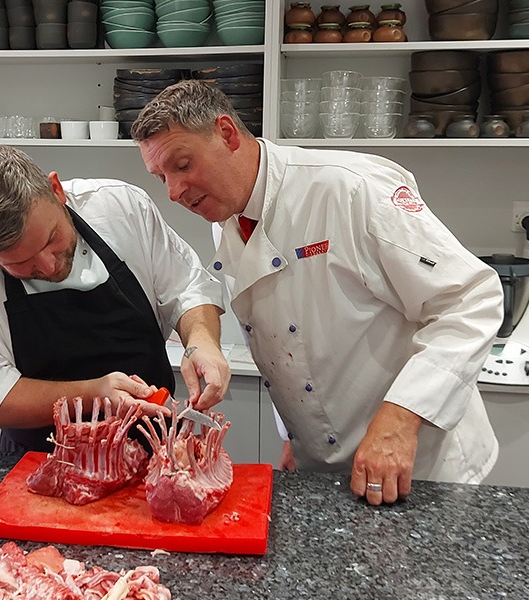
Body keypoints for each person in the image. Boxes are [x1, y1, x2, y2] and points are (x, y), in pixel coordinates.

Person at [131, 80, 503, 506]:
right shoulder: (228, 217)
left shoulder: (352, 189)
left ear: (228, 133)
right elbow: (283, 336)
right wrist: (295, 435)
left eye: (182, 165)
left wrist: (400, 419)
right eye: (161, 177)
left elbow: (471, 299)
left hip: (422, 463)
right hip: (326, 467)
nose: (174, 192)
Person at [0, 145, 230, 454]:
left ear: (56, 190)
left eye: (51, 239)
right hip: (40, 459)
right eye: (19, 264)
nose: (48, 265)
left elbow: (187, 287)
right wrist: (93, 393)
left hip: (153, 448)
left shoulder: (120, 207)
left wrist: (201, 342)